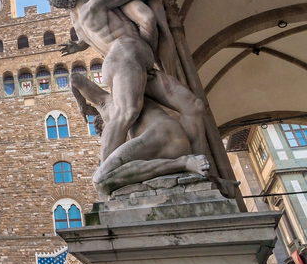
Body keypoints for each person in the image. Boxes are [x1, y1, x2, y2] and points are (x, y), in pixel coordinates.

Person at [46, 0, 208, 168]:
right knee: (126, 113)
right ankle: (105, 173)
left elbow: (86, 40)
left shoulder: (77, 23)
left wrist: (77, 47)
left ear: (63, 6)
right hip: (125, 58)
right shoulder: (96, 2)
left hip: (138, 64)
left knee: (194, 106)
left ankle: (200, 170)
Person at [70, 73, 209, 196]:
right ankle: (183, 163)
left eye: (101, 131)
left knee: (100, 179)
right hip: (169, 140)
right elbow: (75, 79)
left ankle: (183, 163)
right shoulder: (117, 100)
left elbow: (106, 163)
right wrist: (81, 104)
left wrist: (82, 106)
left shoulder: (111, 108)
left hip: (163, 135)